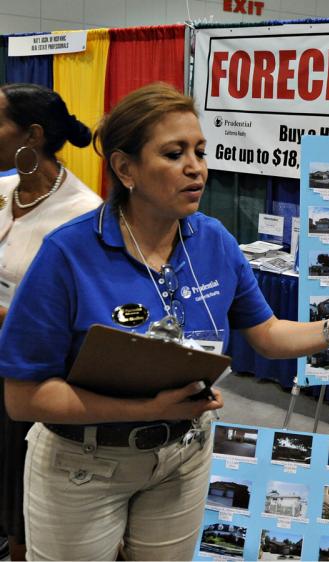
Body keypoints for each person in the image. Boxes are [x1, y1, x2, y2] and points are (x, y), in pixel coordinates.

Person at [0, 82, 329, 561]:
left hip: (184, 455)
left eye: (200, 152)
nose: (196, 168)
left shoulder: (214, 241)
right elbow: (24, 398)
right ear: (125, 168)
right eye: (174, 153)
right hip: (83, 465)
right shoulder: (67, 253)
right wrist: (147, 409)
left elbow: (267, 335)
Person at [0, 83, 101, 561]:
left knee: (19, 481)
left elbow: (76, 320)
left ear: (32, 135)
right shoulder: (2, 189)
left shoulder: (82, 216)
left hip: (30, 374)